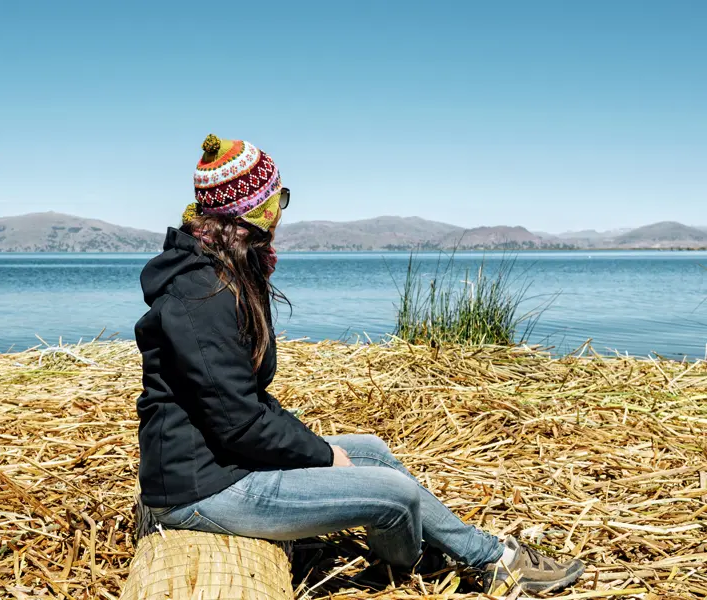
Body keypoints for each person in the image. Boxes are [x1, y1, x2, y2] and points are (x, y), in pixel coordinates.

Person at [134, 134, 585, 595]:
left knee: (371, 450)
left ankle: (471, 551)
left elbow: (244, 401)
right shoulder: (201, 296)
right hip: (200, 489)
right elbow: (239, 423)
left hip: (227, 462)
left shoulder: (229, 273)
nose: (282, 211)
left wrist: (319, 449)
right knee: (397, 495)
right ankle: (438, 565)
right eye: (279, 198)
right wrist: (324, 455)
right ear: (255, 209)